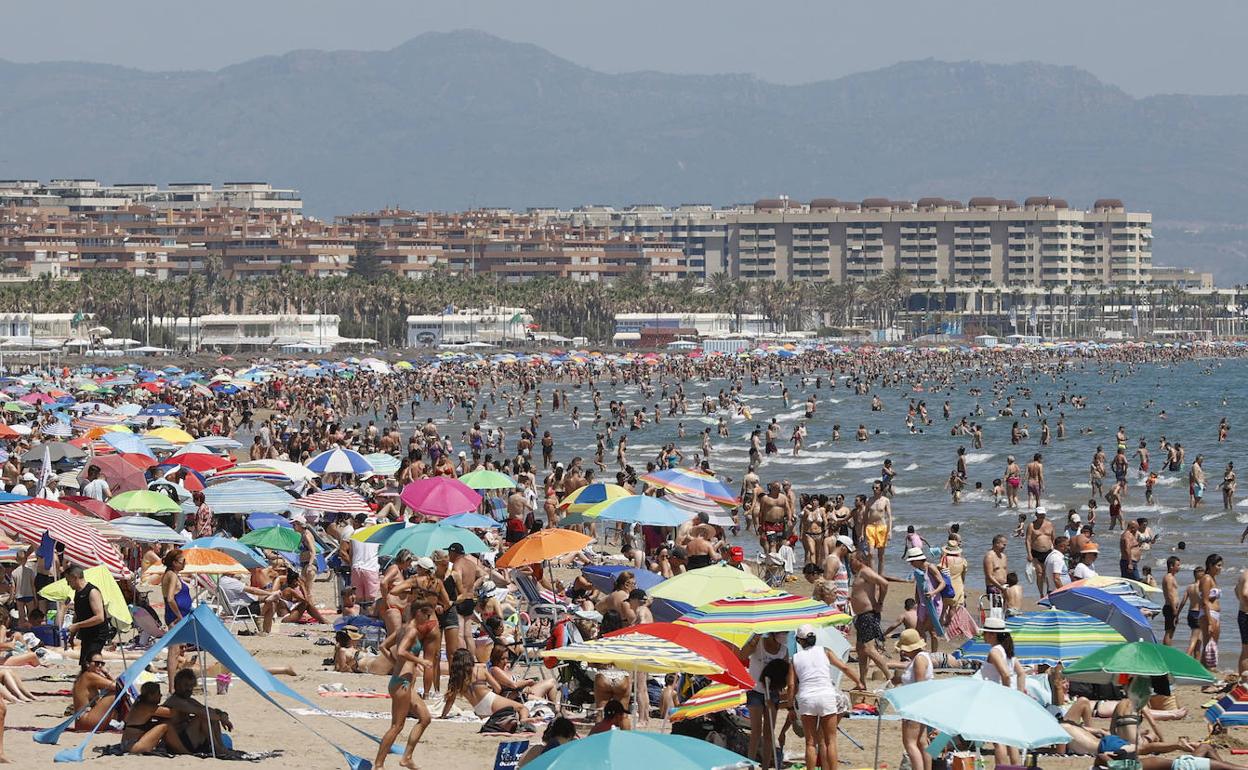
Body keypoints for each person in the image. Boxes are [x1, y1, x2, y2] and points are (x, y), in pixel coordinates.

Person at [788, 624, 861, 770]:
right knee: (830, 741)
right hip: (826, 696)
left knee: (810, 742)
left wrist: (790, 706)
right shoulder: (825, 651)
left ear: (799, 640)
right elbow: (844, 667)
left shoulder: (795, 658)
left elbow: (791, 685)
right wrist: (859, 682)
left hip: (807, 698)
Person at [375, 600, 433, 770]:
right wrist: (420, 660)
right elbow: (402, 651)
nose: (428, 619)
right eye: (427, 615)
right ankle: (378, 765)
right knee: (397, 726)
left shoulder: (402, 629)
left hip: (402, 681)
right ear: (418, 613)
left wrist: (396, 664)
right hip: (402, 683)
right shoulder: (412, 630)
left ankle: (406, 758)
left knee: (425, 718)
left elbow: (383, 646)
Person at [979, 616, 1026, 766]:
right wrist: (1017, 694)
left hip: (997, 699)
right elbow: (1021, 673)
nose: (983, 636)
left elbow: (1005, 674)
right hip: (1008, 698)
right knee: (1010, 740)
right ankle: (1016, 768)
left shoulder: (995, 652)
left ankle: (1003, 768)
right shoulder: (1007, 651)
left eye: (985, 633)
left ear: (992, 634)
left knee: (998, 741)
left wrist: (1005, 695)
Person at [740, 631, 790, 770]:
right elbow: (741, 656)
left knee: (769, 733)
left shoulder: (784, 650)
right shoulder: (759, 643)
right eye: (783, 632)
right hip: (755, 690)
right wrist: (753, 641)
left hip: (772, 692)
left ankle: (766, 767)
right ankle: (750, 765)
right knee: (756, 731)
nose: (785, 635)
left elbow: (785, 674)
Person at [441, 648, 529, 721]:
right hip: (490, 700)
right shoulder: (480, 670)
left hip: (480, 711)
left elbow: (450, 701)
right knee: (522, 708)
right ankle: (524, 721)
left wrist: (443, 716)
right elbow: (498, 688)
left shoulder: (456, 678)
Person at [163, 668, 233, 756]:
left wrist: (222, 714)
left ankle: (221, 747)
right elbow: (203, 712)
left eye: (191, 686)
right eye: (185, 685)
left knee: (210, 717)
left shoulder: (188, 700)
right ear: (176, 685)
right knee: (203, 717)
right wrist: (222, 717)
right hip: (176, 743)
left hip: (188, 738)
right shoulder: (175, 701)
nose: (189, 688)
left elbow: (209, 710)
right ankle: (218, 748)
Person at [895, 629, 933, 770]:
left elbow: (919, 685)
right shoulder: (921, 657)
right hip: (922, 704)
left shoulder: (919, 660)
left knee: (910, 743)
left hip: (915, 705)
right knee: (922, 742)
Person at [65, 565, 110, 668]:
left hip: (97, 634)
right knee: (84, 664)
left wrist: (77, 625)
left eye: (69, 580)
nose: (68, 584)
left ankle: (107, 680)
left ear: (75, 577)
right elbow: (78, 615)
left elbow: (99, 617)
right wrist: (72, 636)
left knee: (91, 664)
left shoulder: (92, 592)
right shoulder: (77, 592)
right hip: (86, 634)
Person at [160, 549, 193, 685]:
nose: (184, 564)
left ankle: (176, 684)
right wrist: (179, 616)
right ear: (174, 563)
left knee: (178, 652)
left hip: (178, 616)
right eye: (182, 561)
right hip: (175, 617)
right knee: (173, 653)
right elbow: (170, 598)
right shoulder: (172, 575)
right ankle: (172, 687)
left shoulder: (173, 574)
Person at [121, 681, 172, 755]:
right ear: (150, 695)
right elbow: (171, 713)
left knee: (159, 723)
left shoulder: (139, 704)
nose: (161, 695)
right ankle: (183, 750)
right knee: (165, 725)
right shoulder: (147, 708)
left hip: (126, 745)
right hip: (132, 747)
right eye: (158, 693)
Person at [72, 653, 120, 731]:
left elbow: (115, 686)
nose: (100, 666)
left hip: (81, 722)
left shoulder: (85, 676)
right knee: (114, 695)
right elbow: (117, 686)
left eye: (102, 663)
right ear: (88, 664)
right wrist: (107, 673)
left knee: (115, 694)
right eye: (97, 663)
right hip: (85, 721)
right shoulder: (89, 676)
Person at [1199, 554, 1224, 669]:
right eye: (1218, 565)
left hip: (1215, 614)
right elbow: (1204, 601)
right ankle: (1204, 673)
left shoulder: (1213, 579)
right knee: (1207, 645)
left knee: (1212, 645)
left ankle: (1208, 670)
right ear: (1210, 565)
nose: (1220, 568)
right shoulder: (1206, 578)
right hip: (1209, 614)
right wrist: (1209, 621)